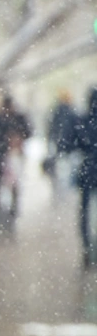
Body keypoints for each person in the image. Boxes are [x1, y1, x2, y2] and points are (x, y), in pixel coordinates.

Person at [0, 92, 33, 232]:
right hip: (1, 156)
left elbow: (28, 132)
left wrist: (18, 139)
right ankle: (1, 209)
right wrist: (5, 141)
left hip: (13, 155)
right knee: (0, 183)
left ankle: (12, 209)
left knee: (13, 183)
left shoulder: (17, 118)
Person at [73, 88, 97, 265]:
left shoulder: (82, 120)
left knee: (85, 211)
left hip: (87, 171)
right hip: (89, 170)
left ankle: (88, 246)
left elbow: (70, 143)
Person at [46, 90, 80, 199]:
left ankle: (61, 194)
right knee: (66, 171)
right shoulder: (71, 112)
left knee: (62, 171)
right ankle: (65, 193)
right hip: (68, 147)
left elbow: (52, 129)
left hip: (61, 146)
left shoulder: (57, 112)